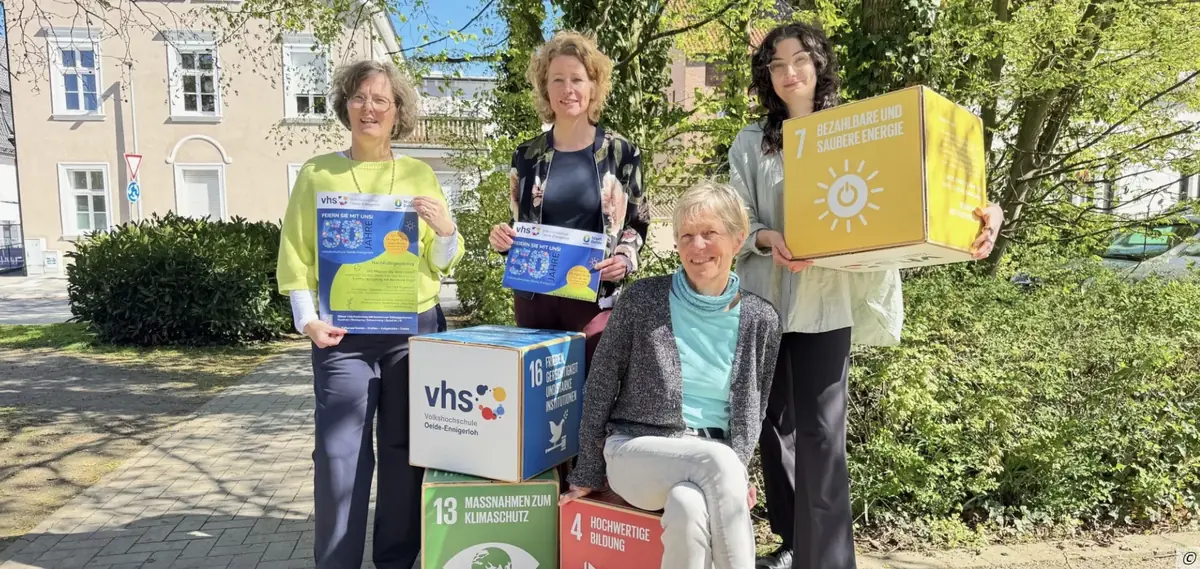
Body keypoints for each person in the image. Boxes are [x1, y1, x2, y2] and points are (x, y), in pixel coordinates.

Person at [731, 23, 1006, 569]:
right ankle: (793, 544)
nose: (789, 72)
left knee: (822, 436)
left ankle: (830, 561)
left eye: (799, 60)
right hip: (764, 305)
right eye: (776, 64)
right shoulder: (750, 141)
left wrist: (982, 211)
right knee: (772, 430)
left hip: (826, 302)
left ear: (819, 64)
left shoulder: (859, 128)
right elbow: (735, 217)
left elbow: (923, 181)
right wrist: (765, 238)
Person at [276, 59, 465, 569]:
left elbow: (439, 260)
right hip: (342, 336)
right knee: (339, 455)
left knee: (405, 453)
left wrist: (446, 231)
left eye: (381, 99)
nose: (369, 108)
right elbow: (295, 253)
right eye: (359, 97)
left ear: (397, 110)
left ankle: (396, 561)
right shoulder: (317, 173)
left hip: (413, 331)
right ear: (345, 105)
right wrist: (307, 320)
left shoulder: (419, 174)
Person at [560, 180, 783, 569]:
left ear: (738, 238)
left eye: (710, 233)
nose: (698, 246)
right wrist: (588, 470)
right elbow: (600, 385)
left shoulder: (761, 319)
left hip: (713, 462)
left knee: (687, 506)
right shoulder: (642, 300)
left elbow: (753, 409)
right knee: (719, 462)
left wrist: (734, 477)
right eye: (687, 236)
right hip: (636, 453)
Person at [488, 30, 649, 364]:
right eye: (557, 80)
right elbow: (521, 225)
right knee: (536, 392)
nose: (567, 89)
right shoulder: (526, 155)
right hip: (535, 302)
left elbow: (638, 223)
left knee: (595, 391)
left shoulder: (622, 153)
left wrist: (624, 258)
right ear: (545, 88)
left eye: (577, 79)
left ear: (593, 86)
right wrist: (504, 239)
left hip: (595, 302)